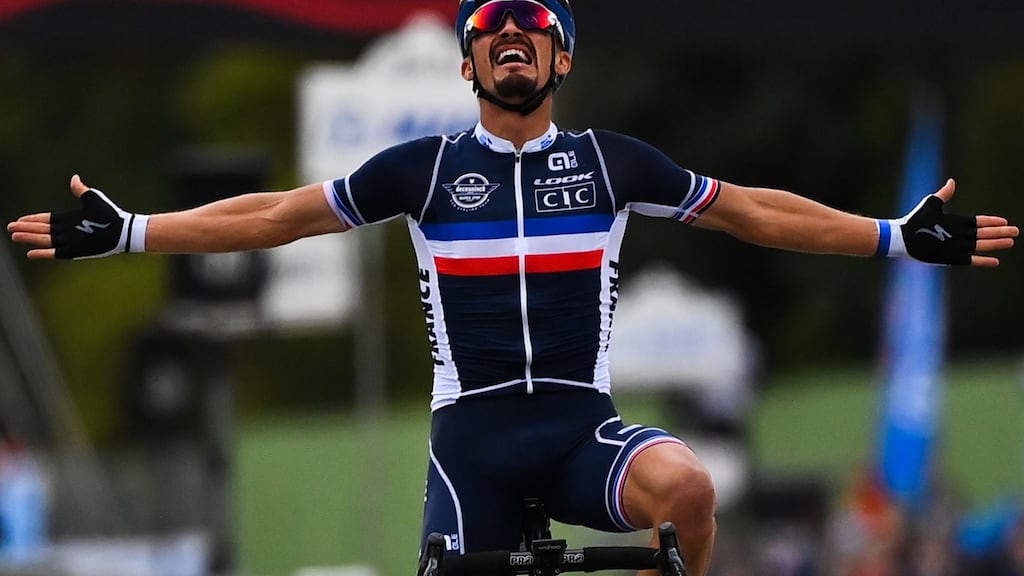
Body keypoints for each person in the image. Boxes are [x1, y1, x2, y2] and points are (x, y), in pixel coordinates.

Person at [5, 1, 1019, 574]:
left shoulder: (614, 161)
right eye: (490, 27)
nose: (511, 34)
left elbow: (753, 210)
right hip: (474, 448)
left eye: (533, 24)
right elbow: (275, 215)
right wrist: (132, 230)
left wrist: (894, 236)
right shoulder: (424, 170)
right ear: (468, 64)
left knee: (692, 488)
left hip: (583, 431)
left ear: (562, 56)